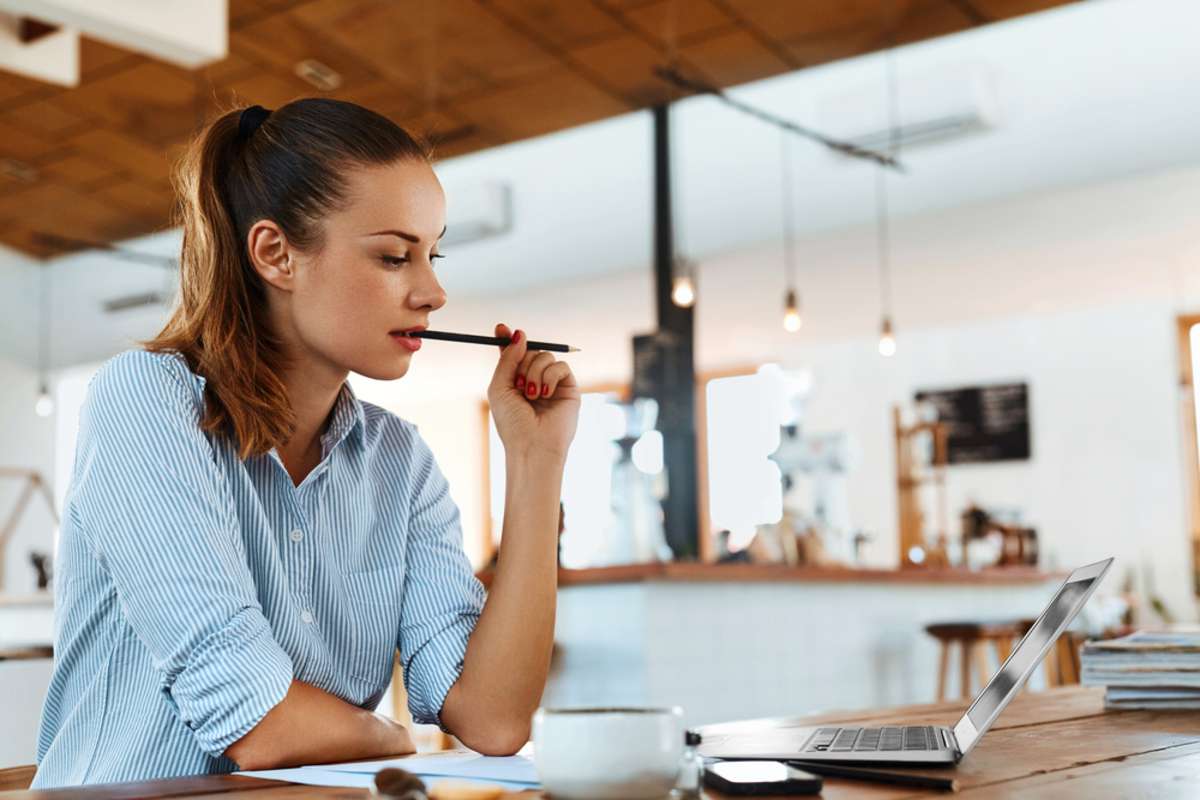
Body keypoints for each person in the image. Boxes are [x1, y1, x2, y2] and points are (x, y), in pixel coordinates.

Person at [31, 99, 580, 788]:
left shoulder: (400, 463)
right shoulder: (145, 400)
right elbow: (257, 722)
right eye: (393, 256)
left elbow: (494, 719)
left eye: (431, 255)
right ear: (276, 255)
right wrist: (387, 735)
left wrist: (536, 461)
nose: (433, 291)